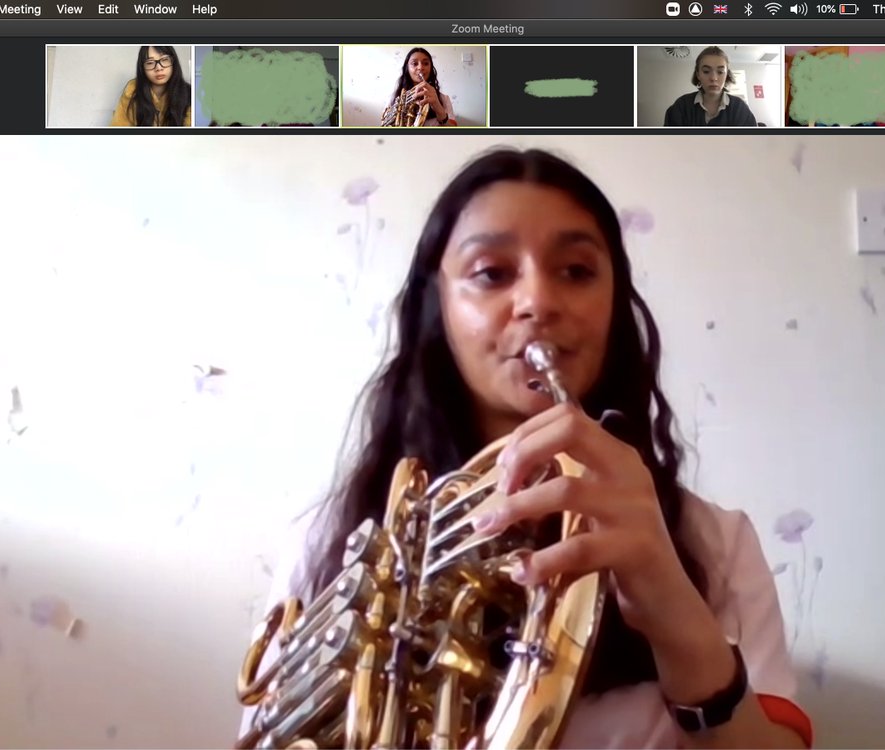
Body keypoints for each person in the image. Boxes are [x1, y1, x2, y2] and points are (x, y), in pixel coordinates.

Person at [239, 147, 811, 748]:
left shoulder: (716, 544)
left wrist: (672, 607)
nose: (538, 301)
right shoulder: (331, 544)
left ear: (614, 306)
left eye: (576, 271)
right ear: (439, 305)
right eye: (491, 273)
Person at [663, 46, 759, 127]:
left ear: (727, 75)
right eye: (706, 71)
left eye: (720, 72)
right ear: (698, 74)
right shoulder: (681, 106)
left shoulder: (739, 108)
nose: (713, 78)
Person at [109, 46, 192, 127]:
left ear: (173, 62)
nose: (159, 68)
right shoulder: (131, 92)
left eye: (164, 59)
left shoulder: (189, 94)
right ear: (142, 68)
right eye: (150, 62)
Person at [385, 47, 456, 126]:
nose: (420, 67)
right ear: (407, 68)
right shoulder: (393, 98)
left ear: (431, 68)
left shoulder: (444, 99)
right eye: (415, 64)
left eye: (425, 63)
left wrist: (438, 107)